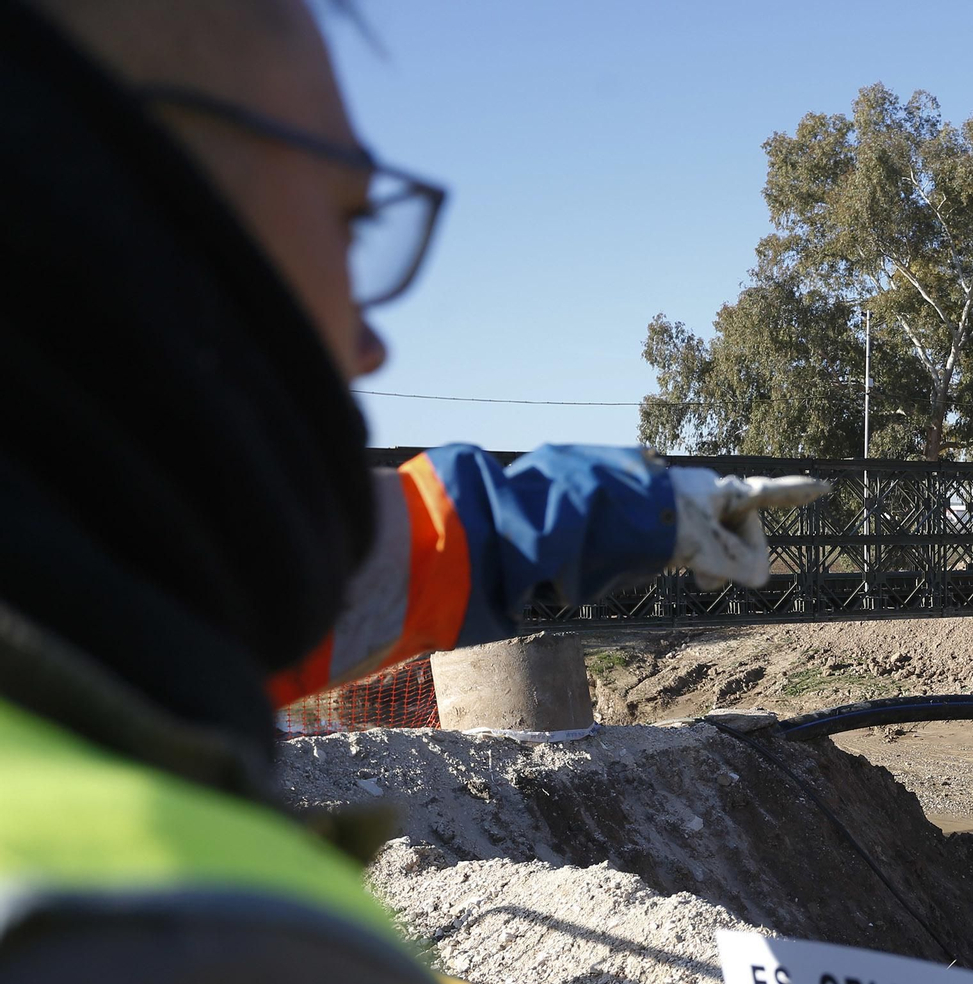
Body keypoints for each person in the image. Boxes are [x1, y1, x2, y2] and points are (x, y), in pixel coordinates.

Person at [0, 0, 824, 979]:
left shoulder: (98, 580)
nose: (372, 338)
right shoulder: (189, 931)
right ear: (118, 215)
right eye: (350, 222)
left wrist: (648, 511)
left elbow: (390, 558)